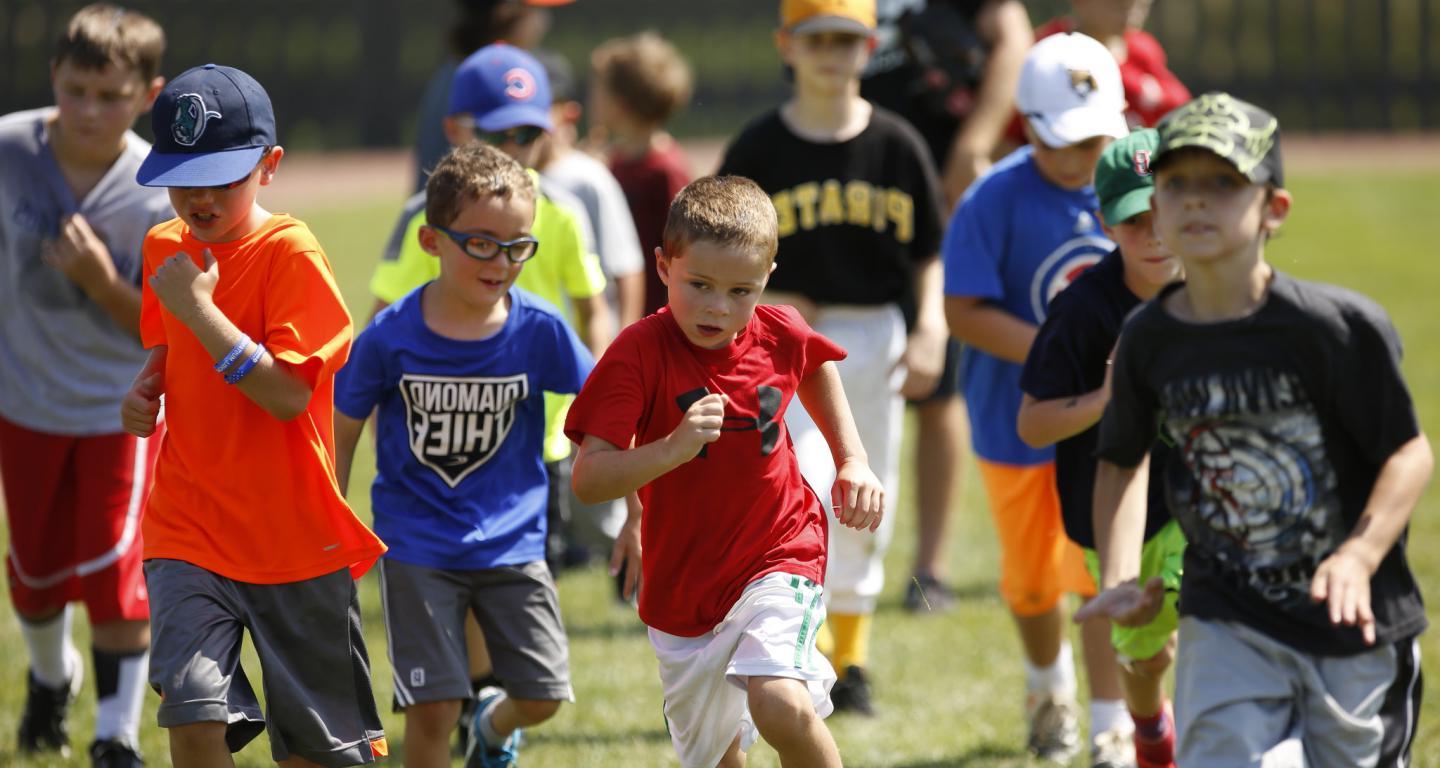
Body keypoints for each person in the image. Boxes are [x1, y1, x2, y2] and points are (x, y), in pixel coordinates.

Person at [1087, 92, 1430, 768]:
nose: (1194, 201)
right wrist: (1122, 575)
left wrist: (1358, 558)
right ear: (1152, 207)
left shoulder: (1333, 329)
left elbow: (1408, 453)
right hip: (1226, 611)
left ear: (1274, 208)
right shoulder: (1148, 338)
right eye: (1176, 183)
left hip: (1349, 619)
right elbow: (1123, 461)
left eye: (1222, 183)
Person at [566, 174, 884, 768]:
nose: (718, 306)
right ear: (663, 267)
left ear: (767, 277)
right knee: (716, 757)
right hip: (683, 590)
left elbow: (814, 363)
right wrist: (671, 449)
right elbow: (589, 478)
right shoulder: (637, 352)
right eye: (700, 285)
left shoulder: (779, 330)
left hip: (779, 552)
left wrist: (852, 459)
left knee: (781, 704)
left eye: (740, 291)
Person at [122, 63, 388, 767]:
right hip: (188, 526)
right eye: (184, 179)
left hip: (292, 539)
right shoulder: (164, 248)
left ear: (269, 166)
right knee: (193, 708)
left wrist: (201, 313)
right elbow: (166, 346)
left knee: (319, 752)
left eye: (223, 177)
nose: (201, 197)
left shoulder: (289, 253)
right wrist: (144, 389)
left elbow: (288, 395)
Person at [368, 39, 608, 752]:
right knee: (452, 584)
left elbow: (590, 305)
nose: (514, 147)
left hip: (540, 433)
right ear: (455, 132)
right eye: (496, 132)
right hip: (440, 430)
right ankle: (464, 703)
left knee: (515, 575)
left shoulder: (557, 212)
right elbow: (383, 316)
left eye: (527, 133)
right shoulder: (423, 215)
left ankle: (486, 706)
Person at [717, 0, 948, 716]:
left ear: (869, 47)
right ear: (787, 44)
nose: (830, 53)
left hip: (873, 333)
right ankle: (799, 646)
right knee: (799, 487)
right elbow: (718, 244)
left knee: (862, 490)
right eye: (815, 38)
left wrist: (930, 324)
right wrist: (773, 294)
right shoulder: (760, 148)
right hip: (782, 340)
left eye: (845, 40)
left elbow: (928, 251)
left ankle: (850, 659)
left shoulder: (897, 143)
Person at [334, 143, 591, 768]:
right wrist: (332, 525)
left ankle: (492, 727)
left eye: (518, 245)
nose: (501, 261)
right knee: (430, 709)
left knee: (541, 695)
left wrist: (635, 509)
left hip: (514, 545)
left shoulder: (541, 328)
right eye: (481, 242)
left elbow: (604, 409)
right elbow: (339, 430)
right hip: (417, 546)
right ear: (431, 241)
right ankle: (462, 723)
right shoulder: (389, 336)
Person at [942, 31, 1130, 763]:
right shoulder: (994, 199)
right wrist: (1064, 358)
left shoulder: (1135, 195)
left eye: (1097, 140)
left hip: (1111, 427)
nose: (1085, 160)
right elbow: (963, 310)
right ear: (1027, 124)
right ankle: (1049, 689)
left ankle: (1114, 715)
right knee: (1029, 582)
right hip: (1014, 426)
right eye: (1066, 144)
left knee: (1101, 574)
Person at [0, 6, 168, 766]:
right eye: (75, 91)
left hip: (119, 409)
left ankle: (115, 735)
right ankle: (48, 679)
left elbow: (169, 330)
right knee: (33, 575)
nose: (91, 111)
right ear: (53, 82)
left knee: (111, 566)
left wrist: (104, 283)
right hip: (24, 400)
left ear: (146, 93)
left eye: (111, 94)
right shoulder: (9, 149)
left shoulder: (158, 189)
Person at [860, 0, 1033, 613]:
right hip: (852, 191)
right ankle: (823, 560)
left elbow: (1012, 36)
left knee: (938, 389)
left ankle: (928, 569)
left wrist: (975, 142)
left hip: (934, 192)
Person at [1017, 128, 1182, 768]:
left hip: (1202, 498)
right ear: (1105, 222)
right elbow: (1032, 423)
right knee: (1145, 656)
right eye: (1133, 218)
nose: (1154, 232)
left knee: (1214, 629)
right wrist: (1106, 398)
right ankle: (1149, 730)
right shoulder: (1084, 309)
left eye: (1163, 210)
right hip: (1110, 515)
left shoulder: (1212, 285)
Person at [412, 0, 574, 192]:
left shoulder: (455, 73)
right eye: (535, 10)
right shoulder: (464, 81)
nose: (545, 21)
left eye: (529, 132)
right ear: (507, 12)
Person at [588, 31, 695, 316]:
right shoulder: (611, 160)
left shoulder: (666, 171)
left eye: (599, 90)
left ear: (621, 104)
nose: (592, 98)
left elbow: (685, 257)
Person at [1033, 0, 1190, 130]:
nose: (1132, 16)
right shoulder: (1048, 50)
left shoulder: (1143, 48)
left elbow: (1181, 105)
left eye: (1141, 6)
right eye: (1120, 5)